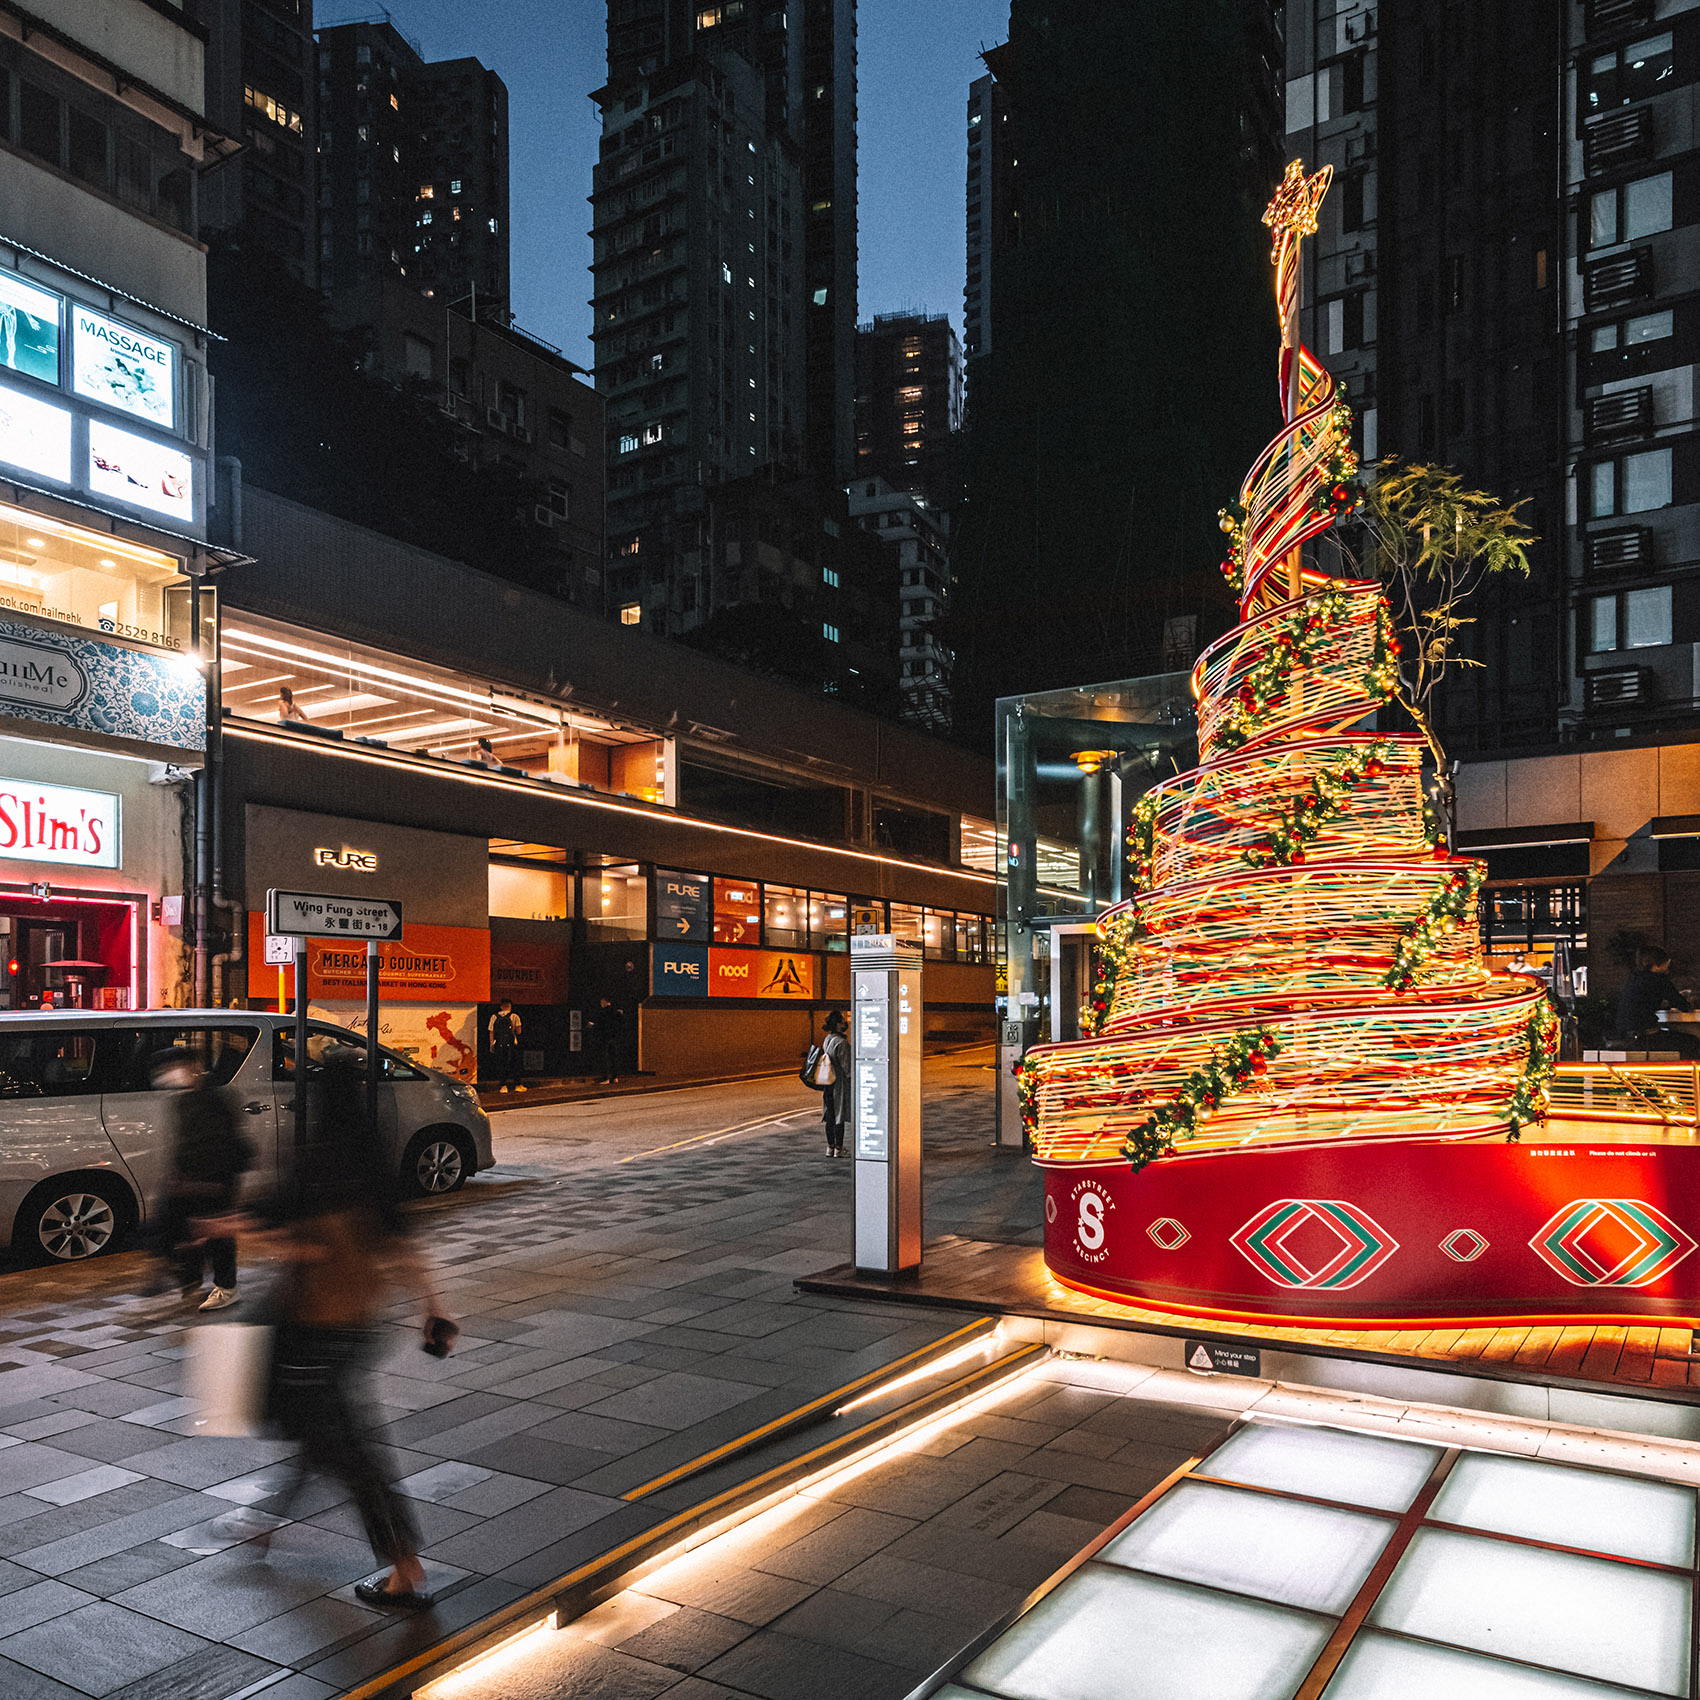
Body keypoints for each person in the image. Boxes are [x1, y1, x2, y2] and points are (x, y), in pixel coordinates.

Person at [261, 1048, 456, 1610]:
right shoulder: (373, 1167)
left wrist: (239, 1235)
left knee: (345, 1445)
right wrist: (433, 1308)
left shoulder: (312, 1163)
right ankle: (266, 1520)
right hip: (358, 1326)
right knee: (323, 1428)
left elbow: (300, 1243)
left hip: (311, 1327)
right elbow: (404, 1247)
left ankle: (405, 1566)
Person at [151, 1048, 251, 1311]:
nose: (170, 1075)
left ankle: (226, 1288)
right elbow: (182, 1143)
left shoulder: (217, 1098)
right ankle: (189, 1279)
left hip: (216, 1178)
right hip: (191, 1179)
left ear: (195, 1066)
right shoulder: (181, 1100)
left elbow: (223, 1143)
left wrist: (212, 1179)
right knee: (186, 1228)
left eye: (177, 1067)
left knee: (218, 1232)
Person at [1617, 946, 1700, 1058]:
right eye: (1667, 962)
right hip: (1647, 1036)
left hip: (1626, 1035)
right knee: (1692, 1041)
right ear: (1659, 963)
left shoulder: (1634, 978)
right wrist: (1689, 1001)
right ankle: (1689, 1073)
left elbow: (1644, 1002)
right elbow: (1683, 1006)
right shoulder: (1660, 979)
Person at [819, 1009, 852, 1158]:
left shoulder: (828, 1039)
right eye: (843, 1021)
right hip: (839, 1084)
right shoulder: (842, 1043)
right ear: (838, 1024)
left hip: (827, 1082)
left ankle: (830, 1147)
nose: (845, 1023)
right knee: (839, 1115)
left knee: (830, 1115)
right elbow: (847, 1068)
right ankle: (839, 1148)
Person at [488, 998, 524, 1094]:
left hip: (499, 1044)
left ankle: (503, 1086)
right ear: (510, 1006)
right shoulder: (514, 1016)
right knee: (515, 1064)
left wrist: (491, 1044)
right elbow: (519, 1031)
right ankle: (517, 1085)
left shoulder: (494, 1016)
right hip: (512, 1044)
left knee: (501, 1064)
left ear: (501, 1006)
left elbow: (491, 1032)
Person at [595, 997, 625, 1084]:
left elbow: (600, 1025)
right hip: (614, 1037)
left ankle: (606, 1078)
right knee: (614, 1057)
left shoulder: (603, 1012)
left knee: (605, 1057)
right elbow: (622, 1023)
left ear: (604, 1002)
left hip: (605, 1037)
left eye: (601, 1002)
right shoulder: (617, 1012)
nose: (601, 1004)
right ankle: (615, 1077)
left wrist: (593, 1026)